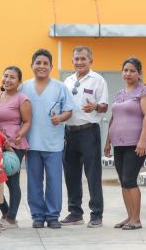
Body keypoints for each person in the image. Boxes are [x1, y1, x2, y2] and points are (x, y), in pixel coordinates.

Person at [21, 49, 76, 229]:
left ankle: (53, 216)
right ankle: (37, 215)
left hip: (53, 144)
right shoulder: (24, 87)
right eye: (38, 63)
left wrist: (60, 118)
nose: (42, 66)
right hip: (31, 143)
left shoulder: (60, 87)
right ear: (32, 66)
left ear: (51, 67)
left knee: (54, 181)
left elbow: (69, 110)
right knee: (34, 181)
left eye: (45, 63)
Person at [104, 57, 146, 230]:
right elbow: (113, 118)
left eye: (132, 70)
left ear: (139, 73)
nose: (128, 73)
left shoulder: (145, 92)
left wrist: (143, 140)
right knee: (123, 181)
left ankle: (137, 219)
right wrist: (108, 142)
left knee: (129, 179)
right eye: (125, 70)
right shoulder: (119, 93)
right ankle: (129, 217)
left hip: (136, 143)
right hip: (119, 143)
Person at [61, 46, 108, 228]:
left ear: (90, 61)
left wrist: (96, 106)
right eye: (76, 59)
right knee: (71, 174)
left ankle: (96, 214)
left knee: (93, 175)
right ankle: (75, 212)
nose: (79, 62)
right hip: (69, 132)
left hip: (89, 132)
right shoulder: (67, 81)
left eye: (83, 59)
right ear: (72, 61)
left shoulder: (98, 80)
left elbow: (104, 107)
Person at [0, 67, 32, 230]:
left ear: (19, 82)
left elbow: (27, 121)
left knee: (12, 182)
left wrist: (20, 134)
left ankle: (12, 218)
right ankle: (6, 212)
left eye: (12, 77)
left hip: (14, 144)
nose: (8, 80)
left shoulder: (22, 99)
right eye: (5, 76)